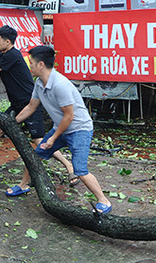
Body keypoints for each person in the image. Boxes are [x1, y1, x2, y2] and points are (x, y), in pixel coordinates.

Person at [0, 25, 75, 197]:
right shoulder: (3, 55)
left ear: (8, 42)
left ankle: (69, 166)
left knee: (39, 141)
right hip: (16, 105)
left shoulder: (13, 55)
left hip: (30, 104)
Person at [18, 45, 112, 214]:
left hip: (79, 129)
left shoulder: (60, 85)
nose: (29, 65)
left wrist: (53, 138)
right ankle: (23, 185)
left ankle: (104, 200)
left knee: (80, 170)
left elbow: (69, 116)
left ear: (41, 65)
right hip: (61, 127)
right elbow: (31, 107)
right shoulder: (39, 83)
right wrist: (9, 123)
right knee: (34, 156)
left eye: (31, 62)